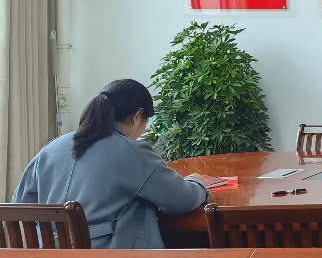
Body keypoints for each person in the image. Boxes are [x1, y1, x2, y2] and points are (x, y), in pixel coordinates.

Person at [12, 79, 211, 249]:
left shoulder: (51, 149)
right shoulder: (130, 151)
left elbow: (19, 204)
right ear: (137, 116)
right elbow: (182, 200)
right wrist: (198, 184)